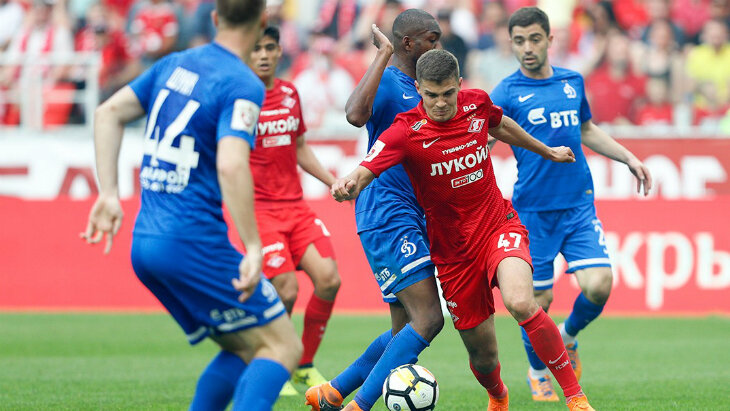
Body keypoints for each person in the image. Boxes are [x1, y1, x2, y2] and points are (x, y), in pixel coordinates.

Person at [332, 48, 596, 411]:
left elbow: (500, 124)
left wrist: (545, 151)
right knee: (484, 357)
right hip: (454, 253)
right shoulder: (404, 131)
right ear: (419, 89)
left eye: (448, 93)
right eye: (432, 95)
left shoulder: (477, 104)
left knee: (521, 302)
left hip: (497, 225)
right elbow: (365, 169)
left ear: (459, 84)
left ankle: (575, 397)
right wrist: (347, 183)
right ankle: (498, 395)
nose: (441, 103)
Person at [80, 1, 303, 410]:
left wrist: (108, 192)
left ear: (215, 19)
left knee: (244, 345)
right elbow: (232, 164)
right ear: (263, 21)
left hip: (145, 242)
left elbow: (107, 112)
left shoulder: (173, 64)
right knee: (284, 347)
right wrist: (254, 246)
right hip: (191, 241)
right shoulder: (243, 82)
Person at [489, 6, 652, 403]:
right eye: (519, 41)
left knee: (599, 284)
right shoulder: (505, 93)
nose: (527, 48)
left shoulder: (572, 81)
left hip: (578, 205)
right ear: (511, 44)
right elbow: (483, 139)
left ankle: (568, 335)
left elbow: (586, 130)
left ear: (550, 39)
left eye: (534, 39)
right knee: (537, 303)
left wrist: (628, 157)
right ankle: (537, 370)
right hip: (532, 211)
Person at [305, 10, 446, 411]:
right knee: (429, 319)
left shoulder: (424, 89)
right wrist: (381, 55)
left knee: (404, 331)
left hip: (410, 213)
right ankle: (359, 405)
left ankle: (332, 392)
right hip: (388, 211)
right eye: (431, 39)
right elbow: (354, 115)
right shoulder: (388, 81)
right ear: (408, 43)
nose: (437, 46)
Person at [248, 25, 341, 396]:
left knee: (329, 279)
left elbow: (300, 146)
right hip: (259, 211)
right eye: (257, 49)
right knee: (285, 290)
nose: (264, 55)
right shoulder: (239, 99)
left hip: (296, 208)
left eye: (270, 48)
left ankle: (303, 366)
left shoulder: (289, 93)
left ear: (278, 51)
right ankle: (273, 365)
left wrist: (331, 181)